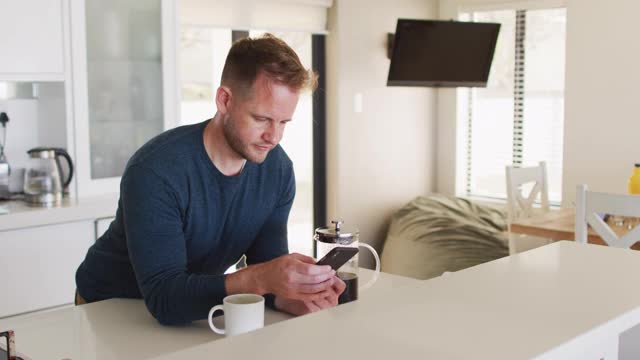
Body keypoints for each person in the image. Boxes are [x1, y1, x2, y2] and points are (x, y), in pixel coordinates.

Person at [75, 34, 345, 325]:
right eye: (262, 119)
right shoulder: (156, 170)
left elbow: (264, 272)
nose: (274, 137)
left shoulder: (277, 170)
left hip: (189, 310)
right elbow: (165, 297)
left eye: (283, 122)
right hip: (108, 307)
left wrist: (289, 297)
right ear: (225, 100)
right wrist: (264, 278)